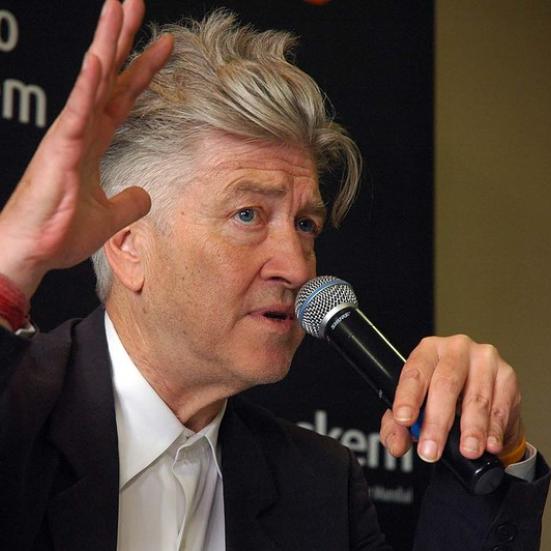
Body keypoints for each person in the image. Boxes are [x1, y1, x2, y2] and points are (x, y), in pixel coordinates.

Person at [0, 1, 548, 549]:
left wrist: (490, 452)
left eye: (306, 224)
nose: (297, 267)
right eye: (248, 215)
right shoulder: (16, 412)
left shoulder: (318, 486)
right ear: (127, 244)